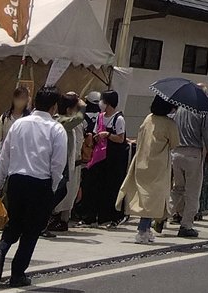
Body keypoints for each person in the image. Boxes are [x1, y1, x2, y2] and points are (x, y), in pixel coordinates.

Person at [0, 86, 68, 286]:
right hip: (40, 182)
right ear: (54, 107)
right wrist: (53, 187)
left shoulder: (18, 124)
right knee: (32, 230)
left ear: (34, 103)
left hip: (16, 180)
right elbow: (58, 163)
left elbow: (4, 155)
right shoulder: (56, 129)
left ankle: (2, 248)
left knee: (14, 221)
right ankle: (17, 273)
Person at [119, 95, 177, 241]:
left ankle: (146, 228)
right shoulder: (170, 124)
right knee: (153, 198)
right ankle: (142, 230)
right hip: (159, 165)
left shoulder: (148, 118)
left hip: (142, 160)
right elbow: (175, 143)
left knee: (145, 196)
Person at [77, 90, 127, 224]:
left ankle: (109, 216)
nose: (101, 104)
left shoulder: (118, 119)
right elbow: (94, 133)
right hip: (98, 157)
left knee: (110, 187)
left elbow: (121, 139)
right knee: (93, 186)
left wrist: (108, 135)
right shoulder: (100, 116)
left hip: (112, 159)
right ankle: (90, 216)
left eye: (103, 101)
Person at [169, 92, 208, 237]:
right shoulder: (204, 111)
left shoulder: (180, 109)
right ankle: (186, 225)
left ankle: (162, 216)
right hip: (193, 153)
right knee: (193, 192)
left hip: (176, 152)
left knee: (177, 188)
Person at [47, 92, 86, 233]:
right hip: (59, 164)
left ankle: (54, 219)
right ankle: (48, 219)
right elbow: (80, 117)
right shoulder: (61, 121)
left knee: (65, 192)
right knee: (59, 192)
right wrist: (83, 106)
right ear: (69, 109)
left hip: (67, 163)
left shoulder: (63, 121)